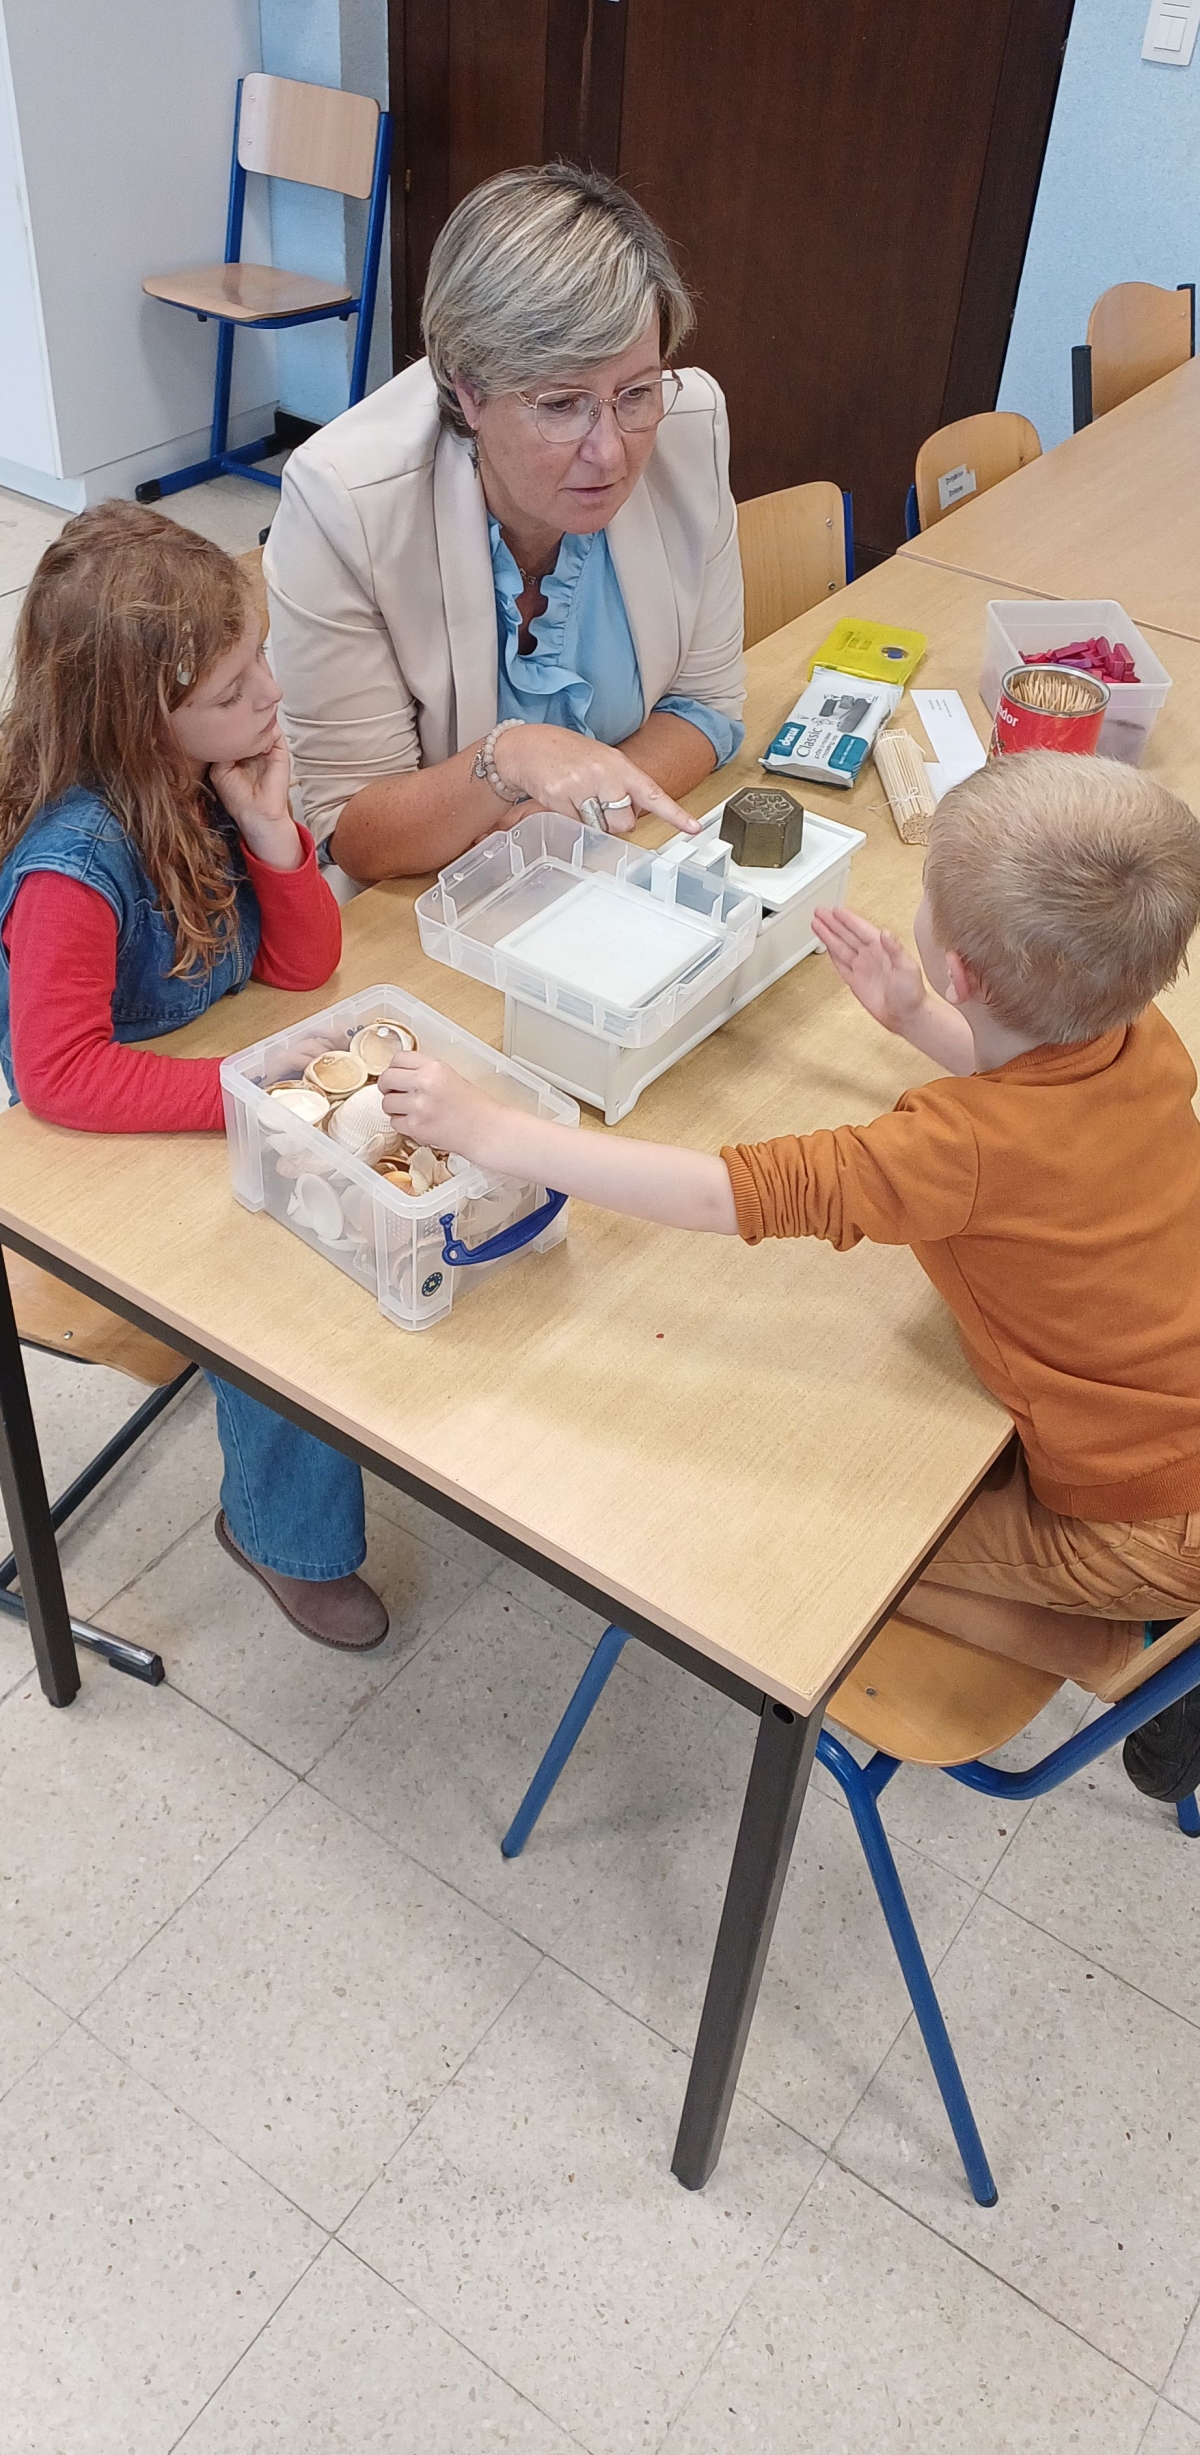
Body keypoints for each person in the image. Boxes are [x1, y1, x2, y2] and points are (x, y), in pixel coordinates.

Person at [379, 751, 1200, 1794]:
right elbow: (1043, 1108)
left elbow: (720, 1195)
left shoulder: (956, 1147)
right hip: (1173, 1438)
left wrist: (490, 1128)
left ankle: (1125, 1655)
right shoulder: (1140, 1035)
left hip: (1143, 1523)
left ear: (963, 971)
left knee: (826, 1559)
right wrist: (918, 1020)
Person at [0, 503, 388, 1654]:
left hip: (199, 1084)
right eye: (232, 689)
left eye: (260, 656)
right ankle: (281, 1533)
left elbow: (301, 966)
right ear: (139, 718)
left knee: (353, 1197)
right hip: (98, 1148)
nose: (271, 693)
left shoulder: (206, 774)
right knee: (284, 1283)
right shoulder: (73, 865)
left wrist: (269, 832)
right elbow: (60, 1077)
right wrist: (246, 1086)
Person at [264, 161, 745, 886]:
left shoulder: (690, 427)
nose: (611, 451)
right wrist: (507, 759)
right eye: (561, 405)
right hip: (420, 904)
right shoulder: (343, 501)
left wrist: (566, 818)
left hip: (599, 873)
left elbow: (706, 708)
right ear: (469, 390)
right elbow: (351, 829)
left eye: (636, 392)